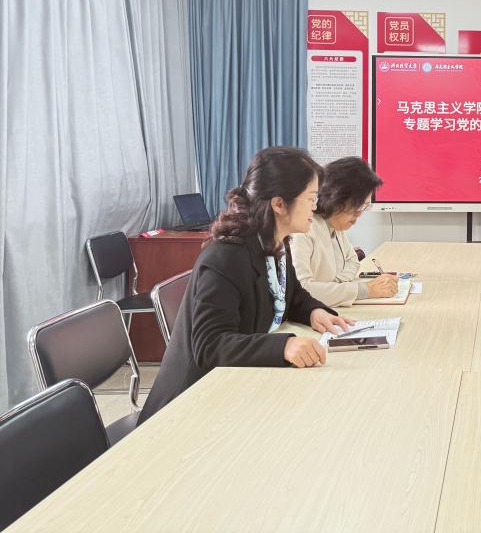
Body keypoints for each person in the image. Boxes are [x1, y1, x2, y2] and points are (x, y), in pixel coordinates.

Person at [140, 147, 354, 424]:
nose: (316, 207)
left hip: (239, 386)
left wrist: (314, 311)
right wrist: (283, 346)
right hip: (188, 406)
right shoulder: (226, 257)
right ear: (279, 204)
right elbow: (210, 345)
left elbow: (291, 295)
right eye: (311, 198)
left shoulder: (277, 242)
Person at [290, 157, 397, 307]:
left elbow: (352, 261)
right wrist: (364, 290)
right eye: (358, 206)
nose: (360, 214)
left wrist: (335, 286)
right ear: (337, 198)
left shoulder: (334, 224)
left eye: (365, 206)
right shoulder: (303, 229)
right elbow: (301, 290)